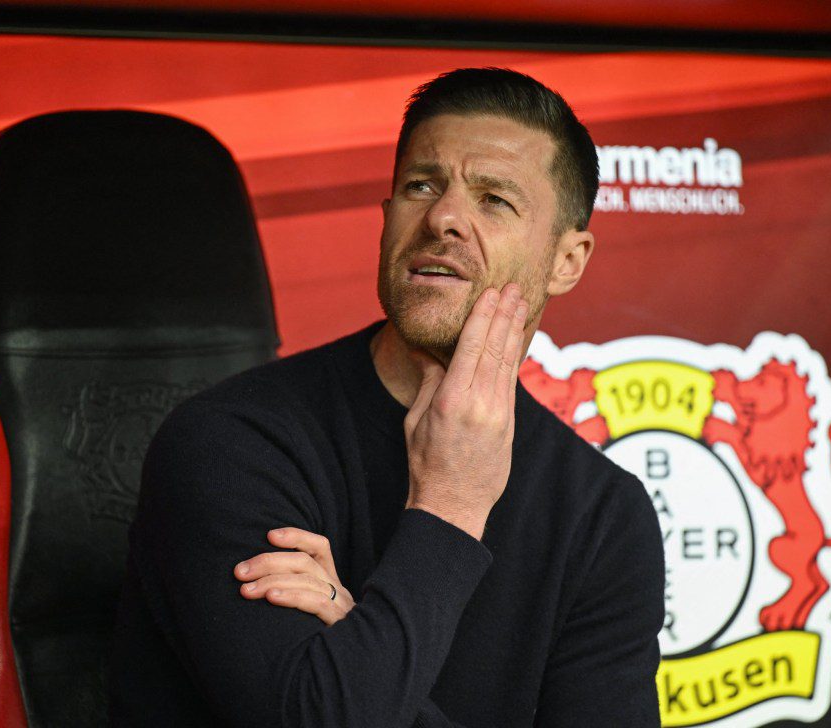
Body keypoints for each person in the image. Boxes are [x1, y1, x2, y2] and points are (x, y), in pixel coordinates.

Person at [111, 67, 664, 727]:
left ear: (566, 261)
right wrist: (451, 507)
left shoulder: (603, 513)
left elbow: (346, 704)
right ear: (386, 218)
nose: (444, 217)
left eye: (494, 199)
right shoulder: (230, 442)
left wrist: (358, 632)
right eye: (420, 186)